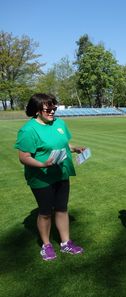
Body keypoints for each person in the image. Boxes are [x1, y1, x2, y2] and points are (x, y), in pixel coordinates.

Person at [15, 93, 85, 261]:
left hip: (61, 173)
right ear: (37, 110)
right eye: (48, 108)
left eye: (54, 107)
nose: (52, 111)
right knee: (46, 212)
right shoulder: (28, 130)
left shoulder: (59, 123)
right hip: (41, 177)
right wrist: (42, 164)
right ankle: (46, 245)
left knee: (62, 208)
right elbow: (24, 157)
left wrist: (74, 148)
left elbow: (62, 143)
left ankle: (65, 242)